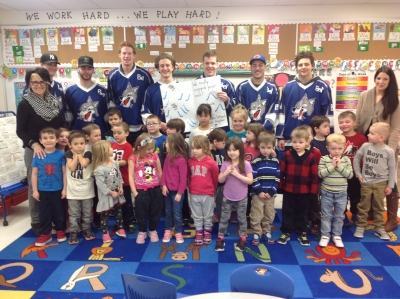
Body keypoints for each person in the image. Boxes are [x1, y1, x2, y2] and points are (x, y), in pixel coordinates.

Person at [17, 67, 64, 236]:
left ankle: (53, 218)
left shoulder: (55, 102)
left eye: (41, 82)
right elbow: (20, 131)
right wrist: (34, 144)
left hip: (55, 150)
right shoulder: (25, 103)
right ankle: (36, 219)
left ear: (47, 83)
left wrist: (62, 138)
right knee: (35, 184)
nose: (38, 85)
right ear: (29, 84)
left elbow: (61, 124)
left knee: (55, 182)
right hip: (34, 150)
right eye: (33, 82)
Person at [355, 66, 400, 232]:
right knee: (369, 177)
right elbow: (359, 121)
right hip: (367, 145)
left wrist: (392, 149)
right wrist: (357, 144)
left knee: (389, 181)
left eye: (385, 79)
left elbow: (395, 127)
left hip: (385, 146)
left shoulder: (394, 100)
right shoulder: (364, 95)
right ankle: (372, 212)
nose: (381, 82)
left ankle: (392, 219)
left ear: (390, 82)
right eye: (378, 78)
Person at [277, 51, 333, 151]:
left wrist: (330, 137)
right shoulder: (288, 86)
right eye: (300, 65)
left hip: (315, 139)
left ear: (312, 65)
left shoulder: (323, 86)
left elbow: (328, 114)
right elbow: (282, 112)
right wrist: (280, 136)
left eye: (306, 64)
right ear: (297, 67)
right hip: (291, 139)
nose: (303, 67)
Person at [277, 127, 319, 246]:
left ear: (307, 142)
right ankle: (286, 231)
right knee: (287, 211)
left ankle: (302, 232)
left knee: (302, 212)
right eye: (294, 142)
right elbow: (281, 172)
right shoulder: (286, 155)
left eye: (300, 142)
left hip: (304, 191)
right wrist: (280, 187)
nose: (297, 145)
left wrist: (313, 191)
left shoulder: (311, 157)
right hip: (289, 189)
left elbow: (315, 176)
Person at [353, 122, 395, 240]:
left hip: (381, 183)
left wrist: (390, 185)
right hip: (366, 182)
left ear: (382, 137)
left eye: (372, 133)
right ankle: (361, 226)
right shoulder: (366, 146)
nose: (368, 135)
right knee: (363, 205)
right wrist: (358, 174)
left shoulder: (389, 151)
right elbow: (356, 159)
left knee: (379, 206)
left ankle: (379, 228)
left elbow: (392, 169)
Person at [108, 41, 154, 145]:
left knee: (138, 156)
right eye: (124, 53)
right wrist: (114, 122)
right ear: (119, 55)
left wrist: (147, 121)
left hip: (140, 126)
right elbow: (111, 101)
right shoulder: (112, 75)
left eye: (129, 53)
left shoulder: (145, 75)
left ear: (134, 55)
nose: (126, 56)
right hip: (120, 127)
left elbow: (149, 100)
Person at [215, 136, 253, 252]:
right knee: (224, 218)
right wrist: (226, 172)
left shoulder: (245, 164)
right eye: (229, 150)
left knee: (242, 219)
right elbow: (220, 180)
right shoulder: (226, 164)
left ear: (240, 150)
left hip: (241, 197)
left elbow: (250, 181)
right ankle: (220, 238)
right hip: (227, 196)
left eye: (234, 150)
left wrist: (237, 175)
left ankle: (242, 238)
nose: (232, 152)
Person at [31, 128, 67, 246]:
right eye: (45, 138)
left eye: (51, 138)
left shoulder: (61, 154)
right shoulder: (37, 155)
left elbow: (64, 172)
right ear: (40, 141)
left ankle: (60, 230)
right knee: (43, 213)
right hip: (42, 190)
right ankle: (46, 234)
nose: (48, 140)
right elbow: (34, 173)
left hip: (57, 189)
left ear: (57, 140)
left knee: (59, 211)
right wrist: (35, 190)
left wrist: (65, 188)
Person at [318, 134, 353, 248]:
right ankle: (325, 235)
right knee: (326, 215)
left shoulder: (346, 160)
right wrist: (333, 166)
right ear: (327, 148)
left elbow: (350, 175)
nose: (336, 151)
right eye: (333, 148)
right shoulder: (324, 159)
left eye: (339, 148)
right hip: (327, 192)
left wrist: (339, 167)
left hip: (342, 193)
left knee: (339, 216)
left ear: (344, 148)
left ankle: (337, 235)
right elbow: (320, 174)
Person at [128, 133, 163, 244]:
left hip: (155, 189)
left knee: (155, 211)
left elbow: (160, 172)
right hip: (141, 190)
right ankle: (142, 231)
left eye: (152, 148)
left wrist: (162, 186)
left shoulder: (155, 157)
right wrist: (134, 191)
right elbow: (131, 176)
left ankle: (152, 230)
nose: (151, 151)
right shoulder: (133, 158)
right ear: (139, 147)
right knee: (141, 212)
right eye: (148, 149)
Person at [158, 118, 191, 226]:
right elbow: (163, 163)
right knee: (168, 209)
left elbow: (184, 169)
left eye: (171, 128)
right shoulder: (165, 147)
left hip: (179, 185)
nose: (167, 130)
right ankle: (169, 226)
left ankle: (183, 220)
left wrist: (181, 191)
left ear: (179, 131)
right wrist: (163, 184)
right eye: (167, 128)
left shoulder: (183, 149)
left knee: (179, 206)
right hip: (168, 182)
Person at [236, 54, 280, 132]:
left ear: (265, 67)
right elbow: (240, 109)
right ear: (250, 67)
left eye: (260, 65)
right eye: (254, 65)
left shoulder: (273, 88)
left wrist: (264, 128)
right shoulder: (242, 87)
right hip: (247, 132)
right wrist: (250, 129)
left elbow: (274, 110)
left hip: (266, 133)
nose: (257, 68)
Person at [65, 131, 95, 244]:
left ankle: (86, 228)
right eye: (76, 144)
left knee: (87, 212)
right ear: (70, 145)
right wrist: (76, 155)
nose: (79, 146)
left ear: (85, 143)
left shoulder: (88, 153)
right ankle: (74, 231)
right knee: (73, 213)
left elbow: (84, 164)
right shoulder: (68, 154)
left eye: (81, 143)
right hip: (72, 191)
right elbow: (72, 168)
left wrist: (78, 155)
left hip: (87, 190)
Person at [92, 140, 127, 242]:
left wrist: (121, 187)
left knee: (118, 212)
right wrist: (111, 193)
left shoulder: (115, 163)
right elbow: (100, 184)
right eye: (110, 148)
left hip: (117, 193)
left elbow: (119, 176)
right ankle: (105, 233)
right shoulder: (99, 169)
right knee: (105, 215)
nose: (112, 149)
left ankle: (120, 228)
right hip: (107, 196)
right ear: (104, 151)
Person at [65, 56, 108, 136]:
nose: (86, 71)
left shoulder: (102, 90)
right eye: (83, 68)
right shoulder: (69, 90)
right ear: (78, 69)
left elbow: (106, 115)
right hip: (77, 136)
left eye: (89, 68)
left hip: (98, 135)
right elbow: (67, 117)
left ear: (93, 70)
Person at [250, 132, 280, 245]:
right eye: (263, 147)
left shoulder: (276, 162)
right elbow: (254, 177)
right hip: (258, 195)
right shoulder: (256, 161)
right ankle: (257, 232)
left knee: (269, 214)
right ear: (258, 146)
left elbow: (277, 178)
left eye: (269, 148)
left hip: (270, 195)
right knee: (257, 214)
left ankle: (267, 231)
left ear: (273, 147)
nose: (266, 150)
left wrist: (272, 191)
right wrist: (259, 191)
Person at [188, 135, 219, 246]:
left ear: (205, 149)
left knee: (208, 215)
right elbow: (189, 176)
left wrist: (212, 190)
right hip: (194, 193)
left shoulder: (211, 162)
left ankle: (207, 232)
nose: (194, 151)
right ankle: (199, 233)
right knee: (196, 215)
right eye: (192, 148)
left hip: (208, 193)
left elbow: (215, 178)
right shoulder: (190, 161)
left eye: (197, 148)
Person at [338, 111, 368, 226]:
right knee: (342, 196)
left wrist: (363, 172)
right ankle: (343, 215)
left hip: (356, 173)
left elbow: (365, 156)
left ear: (354, 123)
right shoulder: (338, 137)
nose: (344, 124)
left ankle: (355, 213)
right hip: (341, 173)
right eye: (341, 122)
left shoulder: (361, 138)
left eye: (347, 122)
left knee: (356, 195)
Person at [23, 53, 69, 125]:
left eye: (55, 65)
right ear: (41, 65)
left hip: (58, 129)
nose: (53, 67)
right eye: (49, 64)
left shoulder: (58, 86)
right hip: (40, 129)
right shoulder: (31, 87)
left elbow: (63, 109)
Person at [198, 50, 236, 132]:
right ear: (203, 64)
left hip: (221, 129)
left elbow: (235, 111)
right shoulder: (194, 84)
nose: (210, 66)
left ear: (217, 64)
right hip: (201, 129)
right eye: (207, 63)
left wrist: (227, 100)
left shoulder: (228, 84)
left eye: (212, 63)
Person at [161, 133, 188, 244]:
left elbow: (183, 178)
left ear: (172, 144)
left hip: (177, 192)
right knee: (168, 212)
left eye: (167, 142)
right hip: (167, 191)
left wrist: (180, 193)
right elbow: (164, 172)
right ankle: (168, 229)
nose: (165, 144)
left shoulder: (181, 160)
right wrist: (163, 185)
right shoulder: (168, 157)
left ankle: (178, 231)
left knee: (177, 213)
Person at [141, 53, 177, 133]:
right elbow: (145, 113)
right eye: (162, 66)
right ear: (158, 68)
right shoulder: (151, 90)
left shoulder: (182, 87)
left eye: (167, 65)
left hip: (177, 133)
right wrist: (159, 124)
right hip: (157, 134)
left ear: (173, 67)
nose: (165, 68)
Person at [111, 122, 135, 233]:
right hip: (113, 180)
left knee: (127, 202)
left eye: (119, 133)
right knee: (117, 203)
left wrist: (110, 162)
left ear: (126, 133)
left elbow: (125, 162)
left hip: (124, 179)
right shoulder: (112, 146)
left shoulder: (128, 146)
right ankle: (120, 222)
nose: (116, 135)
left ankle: (130, 221)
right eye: (114, 133)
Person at [297, 124, 322, 234]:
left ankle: (315, 221)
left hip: (312, 182)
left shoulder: (315, 151)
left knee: (313, 203)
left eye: (308, 134)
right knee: (301, 203)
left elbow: (318, 167)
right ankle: (301, 220)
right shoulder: (295, 150)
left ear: (311, 136)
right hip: (300, 183)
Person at [82, 123, 102, 228]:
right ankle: (85, 221)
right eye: (96, 136)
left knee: (98, 200)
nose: (99, 137)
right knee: (87, 201)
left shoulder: (101, 147)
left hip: (99, 179)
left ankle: (98, 220)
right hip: (87, 178)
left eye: (99, 135)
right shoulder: (84, 148)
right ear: (87, 137)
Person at [208, 128, 228, 222]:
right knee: (209, 205)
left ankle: (223, 225)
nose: (224, 145)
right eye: (223, 143)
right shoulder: (207, 152)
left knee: (222, 205)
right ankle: (209, 224)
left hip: (222, 184)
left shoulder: (224, 151)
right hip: (210, 184)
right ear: (215, 141)